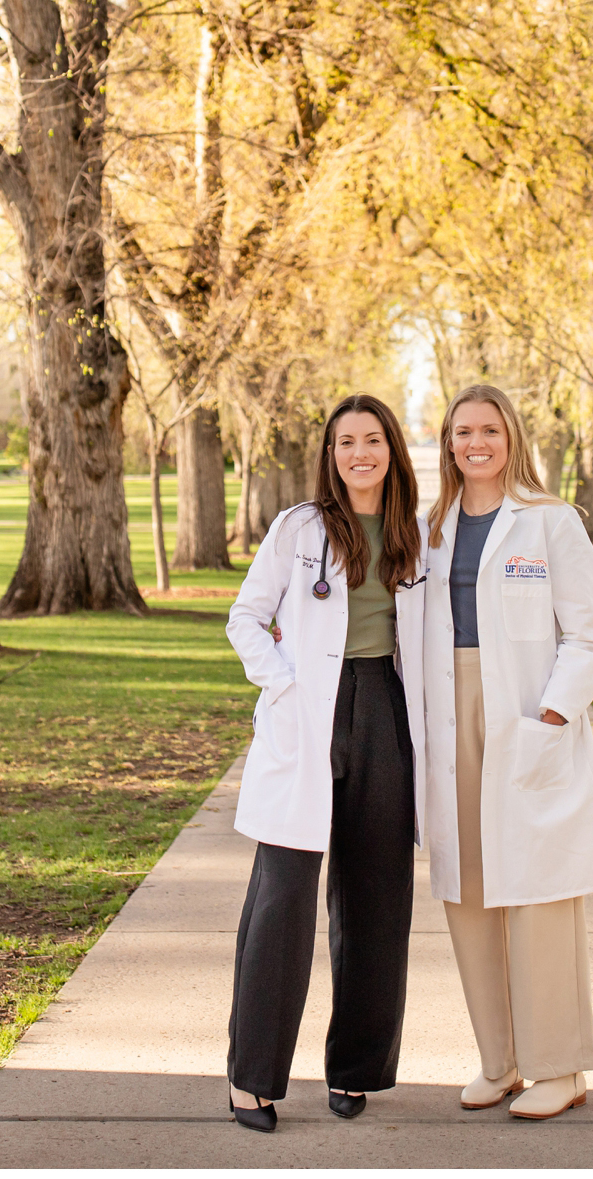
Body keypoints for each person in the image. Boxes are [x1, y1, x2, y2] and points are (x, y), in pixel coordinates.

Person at [221, 393, 427, 1132]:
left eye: (372, 440)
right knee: (282, 899)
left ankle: (356, 1069)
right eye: (346, 442)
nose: (360, 453)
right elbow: (245, 615)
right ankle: (252, 1077)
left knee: (375, 899)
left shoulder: (416, 533)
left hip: (385, 710)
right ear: (330, 453)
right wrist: (284, 683)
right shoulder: (299, 527)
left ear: (391, 449)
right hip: (307, 711)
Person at [421, 383, 593, 1121]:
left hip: (525, 717)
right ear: (447, 442)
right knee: (468, 891)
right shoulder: (430, 527)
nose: (476, 442)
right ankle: (498, 1061)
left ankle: (560, 1066)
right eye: (463, 430)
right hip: (452, 718)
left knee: (540, 893)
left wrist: (552, 710)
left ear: (512, 438)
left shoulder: (551, 521)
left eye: (490, 430)